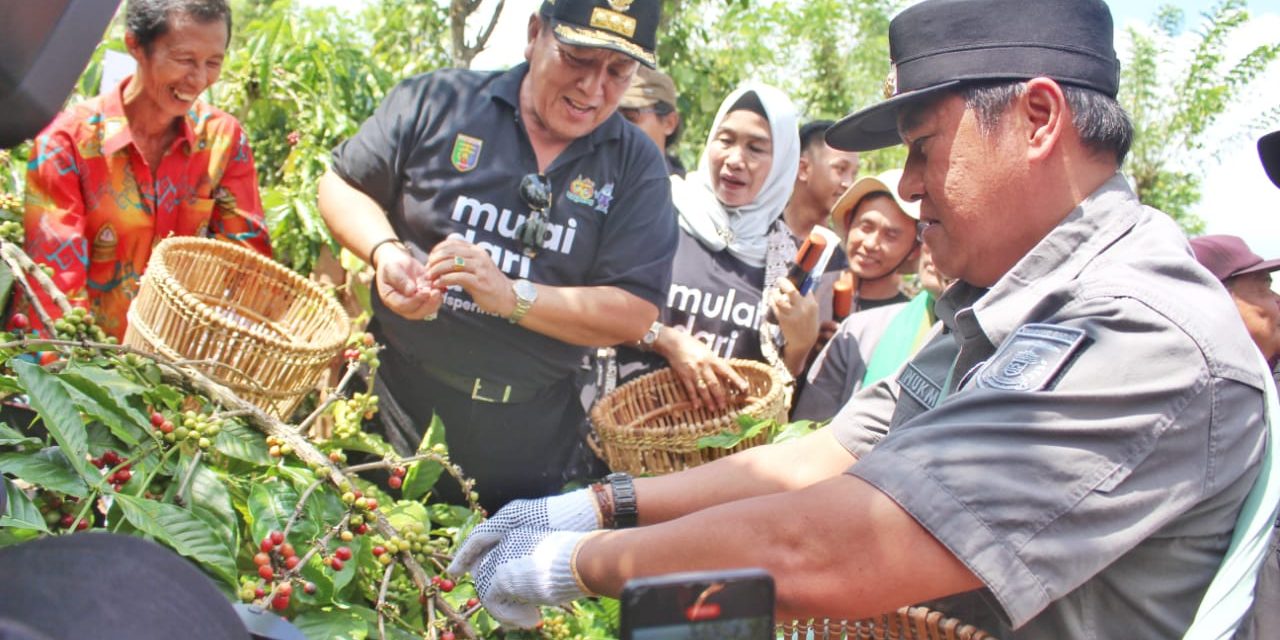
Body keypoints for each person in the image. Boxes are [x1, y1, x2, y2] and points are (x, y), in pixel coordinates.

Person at [446, 0, 1274, 637]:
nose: (909, 188)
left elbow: (845, 544)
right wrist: (602, 504)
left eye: (925, 147)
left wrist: (575, 565)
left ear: (1039, 119)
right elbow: (828, 455)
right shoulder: (1005, 307)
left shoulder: (1140, 332)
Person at [316, 0, 677, 512]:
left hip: (532, 438)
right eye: (576, 57)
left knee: (488, 586)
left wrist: (511, 297)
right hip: (394, 405)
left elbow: (634, 310)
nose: (593, 89)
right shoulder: (439, 102)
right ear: (535, 35)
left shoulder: (635, 165)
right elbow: (342, 184)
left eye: (617, 72)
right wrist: (385, 252)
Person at [12, 0, 270, 341]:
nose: (198, 79)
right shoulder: (66, 144)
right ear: (135, 45)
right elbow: (54, 286)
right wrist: (84, 375)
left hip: (173, 371)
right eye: (184, 60)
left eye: (213, 63)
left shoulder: (223, 141)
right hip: (82, 368)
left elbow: (247, 266)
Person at [611, 83, 818, 409]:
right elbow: (596, 308)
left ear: (783, 164)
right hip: (628, 431)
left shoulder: (787, 259)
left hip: (718, 451)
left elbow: (779, 389)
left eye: (756, 148)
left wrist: (801, 344)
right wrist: (665, 341)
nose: (735, 159)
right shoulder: (658, 210)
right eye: (726, 140)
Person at [792, 241, 950, 422]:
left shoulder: (985, 349)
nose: (871, 243)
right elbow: (808, 429)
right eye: (930, 225)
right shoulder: (857, 330)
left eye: (891, 235)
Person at [618, 66, 685, 177]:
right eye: (612, 117)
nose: (616, 127)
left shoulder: (681, 191)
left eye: (630, 117)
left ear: (669, 123)